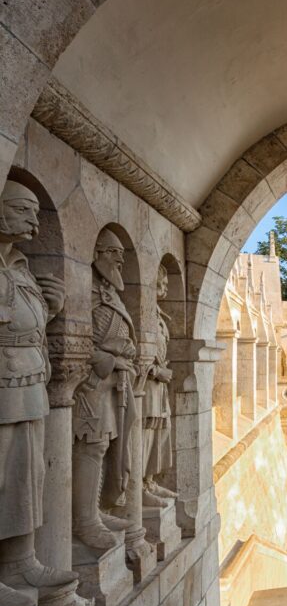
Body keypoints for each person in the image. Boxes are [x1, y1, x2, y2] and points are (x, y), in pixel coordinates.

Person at [0, 180, 77, 606]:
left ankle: (21, 562)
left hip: (28, 384)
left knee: (26, 475)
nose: (34, 219)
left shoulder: (20, 265)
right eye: (22, 209)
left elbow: (24, 324)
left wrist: (51, 307)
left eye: (35, 210)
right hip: (5, 384)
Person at [72, 229, 137, 549]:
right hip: (90, 383)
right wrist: (112, 360)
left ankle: (95, 510)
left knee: (104, 446)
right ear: (96, 253)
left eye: (122, 254)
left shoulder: (109, 293)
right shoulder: (85, 289)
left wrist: (126, 353)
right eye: (113, 252)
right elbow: (72, 340)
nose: (120, 259)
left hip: (111, 385)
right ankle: (84, 520)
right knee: (91, 446)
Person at [141, 265, 176, 508]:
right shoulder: (142, 313)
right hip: (146, 387)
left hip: (158, 388)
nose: (163, 291)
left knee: (158, 432)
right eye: (159, 285)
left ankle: (150, 481)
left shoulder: (159, 316)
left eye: (165, 285)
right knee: (144, 435)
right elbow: (136, 354)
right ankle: (138, 488)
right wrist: (157, 371)